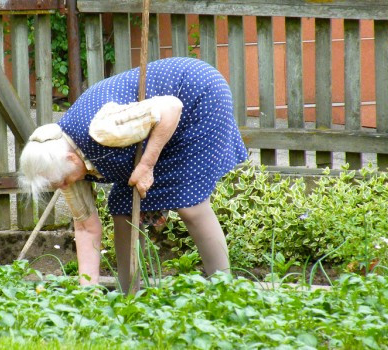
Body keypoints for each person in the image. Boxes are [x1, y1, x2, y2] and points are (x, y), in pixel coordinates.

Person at [19, 57, 247, 292]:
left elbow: (171, 108)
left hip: (198, 96)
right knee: (123, 209)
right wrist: (87, 293)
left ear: (70, 160)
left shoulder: (103, 129)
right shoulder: (64, 162)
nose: (64, 186)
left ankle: (225, 292)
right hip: (164, 124)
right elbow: (86, 227)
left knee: (191, 203)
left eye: (64, 181)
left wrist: (147, 166)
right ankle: (129, 299)